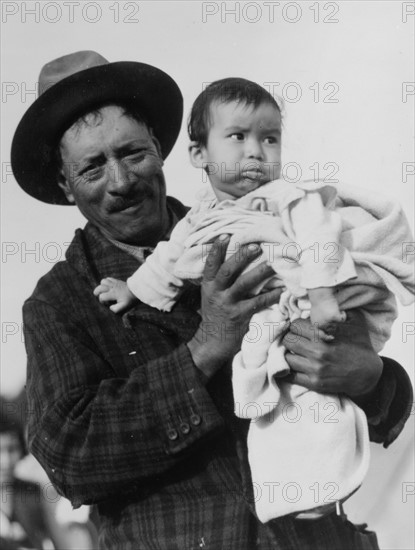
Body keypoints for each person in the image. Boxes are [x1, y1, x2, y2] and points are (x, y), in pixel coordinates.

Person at [11, 50, 413, 549]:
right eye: (92, 167)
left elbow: (352, 358)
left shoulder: (259, 224)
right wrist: (205, 348)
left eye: (132, 153)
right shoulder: (59, 301)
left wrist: (371, 378)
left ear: (161, 149)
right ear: (65, 186)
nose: (121, 181)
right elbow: (71, 458)